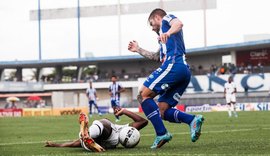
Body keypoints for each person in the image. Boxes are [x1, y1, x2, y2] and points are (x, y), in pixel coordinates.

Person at [128, 8, 204, 149]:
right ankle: (192, 120)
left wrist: (167, 32)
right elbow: (157, 57)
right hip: (182, 71)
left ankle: (161, 133)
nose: (152, 28)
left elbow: (179, 23)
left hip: (174, 65)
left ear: (157, 17)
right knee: (161, 111)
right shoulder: (164, 40)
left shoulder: (166, 19)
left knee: (142, 95)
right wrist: (138, 49)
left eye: (151, 24)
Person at [45, 108, 148, 152]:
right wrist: (124, 111)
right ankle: (87, 134)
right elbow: (143, 121)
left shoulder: (127, 130)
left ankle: (85, 132)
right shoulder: (127, 130)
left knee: (86, 139)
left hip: (105, 132)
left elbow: (143, 122)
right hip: (108, 133)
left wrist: (57, 145)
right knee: (103, 128)